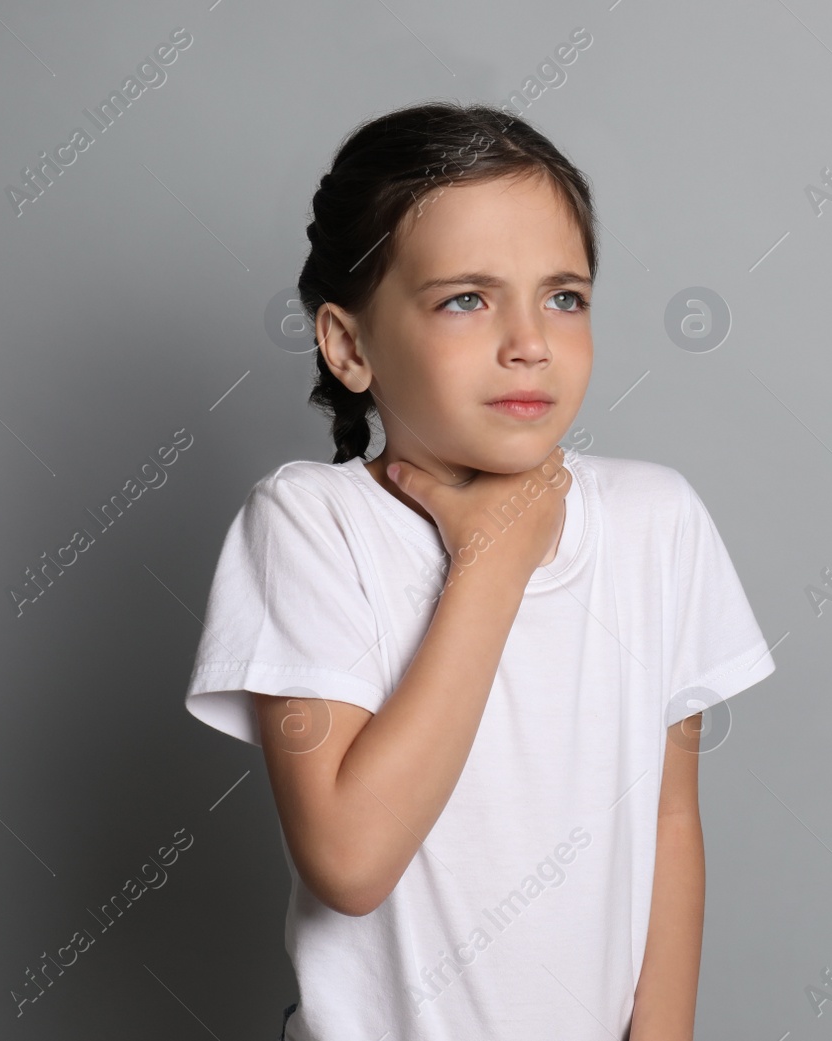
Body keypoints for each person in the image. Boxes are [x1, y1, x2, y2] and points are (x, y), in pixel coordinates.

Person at [182, 100, 777, 1041]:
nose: (529, 339)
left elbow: (665, 817)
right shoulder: (308, 523)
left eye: (563, 296)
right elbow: (351, 858)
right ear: (349, 346)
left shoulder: (654, 520)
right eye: (466, 297)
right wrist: (492, 560)